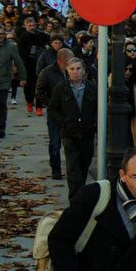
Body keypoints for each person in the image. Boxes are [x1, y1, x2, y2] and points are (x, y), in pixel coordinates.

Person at [47, 58, 97, 199]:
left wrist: (94, 123)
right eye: (72, 69)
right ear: (67, 71)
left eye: (78, 69)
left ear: (84, 71)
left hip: (87, 133)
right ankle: (76, 198)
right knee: (73, 166)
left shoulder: (92, 88)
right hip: (69, 133)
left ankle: (81, 193)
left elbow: (99, 108)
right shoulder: (61, 88)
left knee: (84, 164)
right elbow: (52, 108)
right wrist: (63, 122)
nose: (75, 72)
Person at [0, 23, 26, 138]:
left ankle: (1, 128)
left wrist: (23, 78)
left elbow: (19, 62)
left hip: (5, 80)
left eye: (1, 34)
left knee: (1, 103)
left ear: (5, 34)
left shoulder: (11, 46)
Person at [35, 48, 71, 180]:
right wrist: (51, 104)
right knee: (55, 142)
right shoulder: (47, 72)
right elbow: (39, 92)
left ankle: (71, 168)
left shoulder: (73, 72)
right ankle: (55, 169)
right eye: (68, 61)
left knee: (71, 142)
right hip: (55, 113)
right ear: (61, 60)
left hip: (71, 112)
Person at [16, 16, 50, 114]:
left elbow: (48, 43)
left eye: (33, 25)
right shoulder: (22, 37)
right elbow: (21, 53)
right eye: (29, 25)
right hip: (28, 65)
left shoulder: (41, 35)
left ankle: (39, 107)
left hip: (40, 64)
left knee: (39, 85)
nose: (32, 27)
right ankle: (29, 102)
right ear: (25, 26)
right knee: (28, 86)